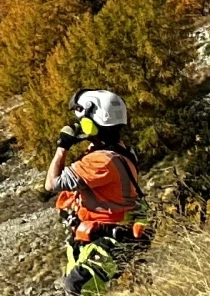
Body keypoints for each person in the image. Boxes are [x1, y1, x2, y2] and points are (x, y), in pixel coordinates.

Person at [44, 88, 152, 294]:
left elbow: (51, 183)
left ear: (91, 122)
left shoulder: (101, 160)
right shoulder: (120, 151)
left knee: (77, 288)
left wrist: (62, 146)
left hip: (108, 238)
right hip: (98, 235)